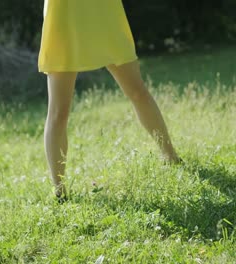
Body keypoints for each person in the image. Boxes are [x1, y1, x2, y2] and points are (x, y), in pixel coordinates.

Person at [38, 0, 181, 202]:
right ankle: (59, 191)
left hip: (104, 12)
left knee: (138, 92)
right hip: (63, 16)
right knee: (59, 112)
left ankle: (171, 157)